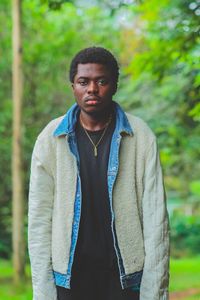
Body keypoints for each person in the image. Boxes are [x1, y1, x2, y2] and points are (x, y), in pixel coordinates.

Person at [28, 46, 169, 300]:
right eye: (83, 81)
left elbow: (156, 219)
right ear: (73, 86)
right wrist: (43, 290)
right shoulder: (50, 138)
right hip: (69, 279)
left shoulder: (141, 136)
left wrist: (155, 290)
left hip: (125, 280)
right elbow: (39, 220)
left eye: (101, 81)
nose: (92, 89)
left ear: (114, 85)